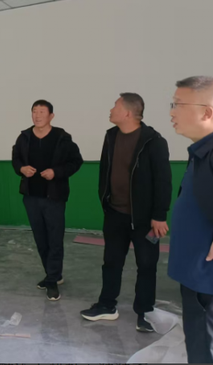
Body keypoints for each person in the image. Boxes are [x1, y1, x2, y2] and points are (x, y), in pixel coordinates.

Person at [81, 93, 172, 333]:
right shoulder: (111, 136)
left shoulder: (154, 141)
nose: (111, 109)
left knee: (147, 265)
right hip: (115, 213)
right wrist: (105, 200)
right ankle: (107, 305)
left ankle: (145, 312)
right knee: (111, 262)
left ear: (128, 113)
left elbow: (163, 181)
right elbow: (105, 170)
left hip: (145, 219)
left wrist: (159, 215)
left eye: (115, 106)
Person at [168, 76, 213, 364]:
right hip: (201, 279)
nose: (172, 112)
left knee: (210, 355)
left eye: (178, 104)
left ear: (208, 112)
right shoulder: (205, 151)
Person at [11, 100, 83, 301]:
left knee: (55, 239)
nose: (37, 115)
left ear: (51, 116)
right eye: (34, 111)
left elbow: (76, 161)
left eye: (42, 112)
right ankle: (53, 274)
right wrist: (21, 169)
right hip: (31, 197)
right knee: (41, 239)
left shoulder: (62, 138)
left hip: (54, 197)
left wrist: (56, 172)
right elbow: (16, 159)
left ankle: (52, 280)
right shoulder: (24, 137)